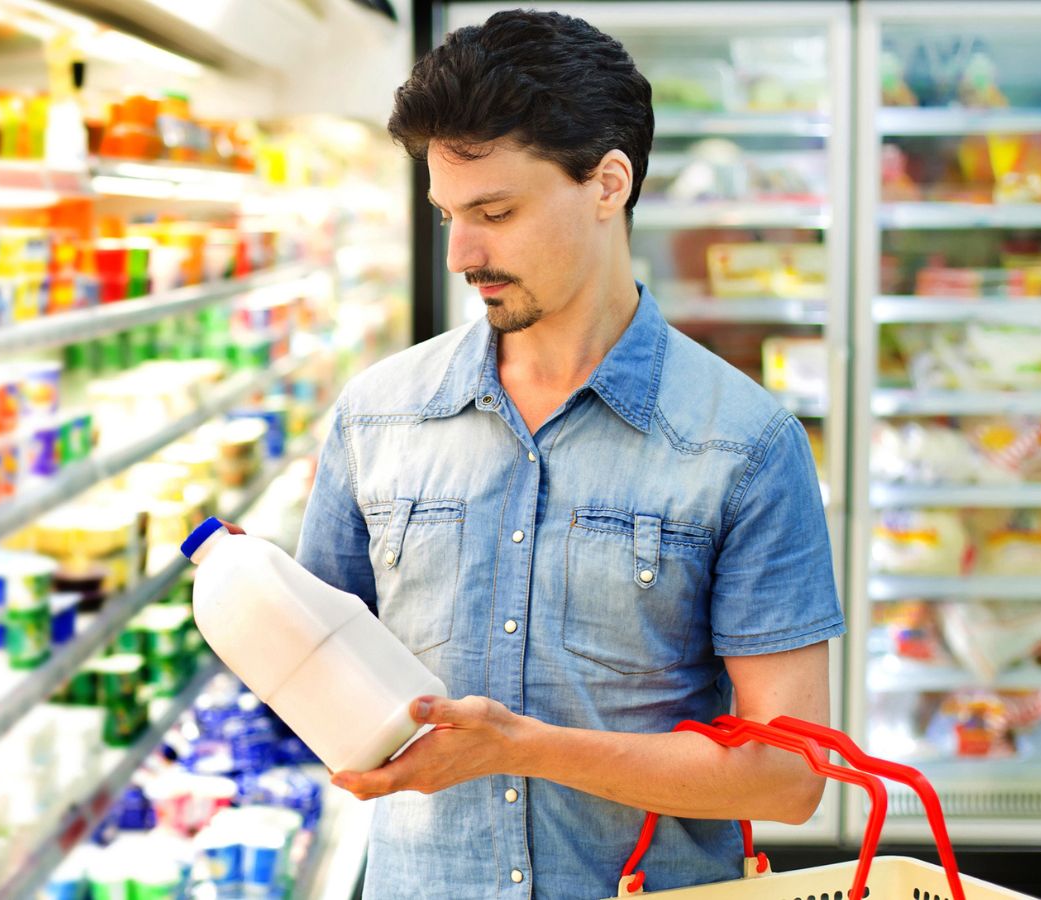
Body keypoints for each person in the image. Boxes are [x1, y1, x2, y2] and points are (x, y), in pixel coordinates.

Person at [293, 9, 844, 899]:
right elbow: (317, 679)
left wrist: (525, 750)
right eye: (447, 217)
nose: (463, 253)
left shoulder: (741, 446)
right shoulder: (377, 418)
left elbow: (791, 777)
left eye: (496, 212)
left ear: (608, 183)